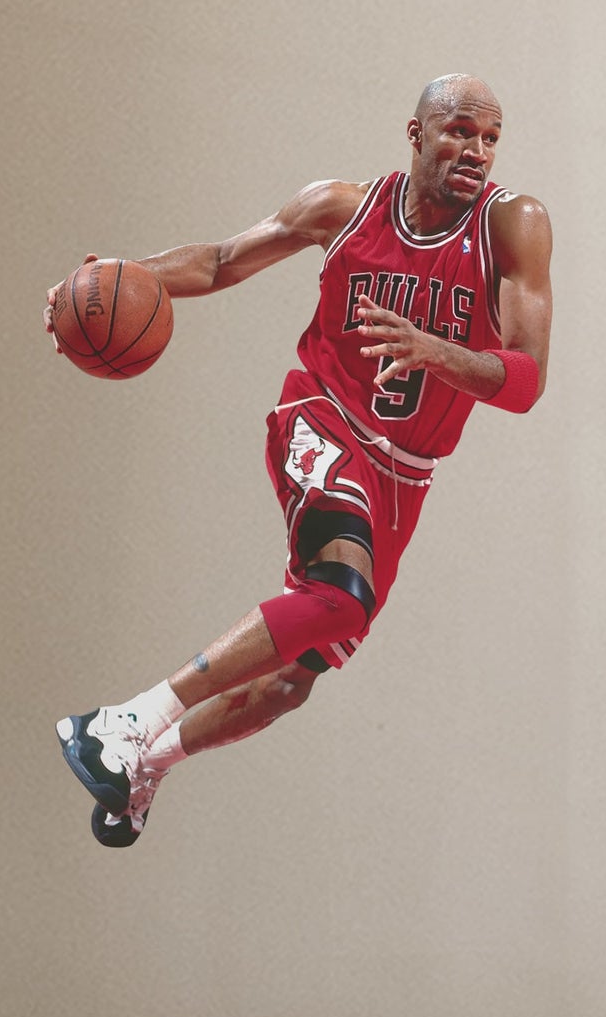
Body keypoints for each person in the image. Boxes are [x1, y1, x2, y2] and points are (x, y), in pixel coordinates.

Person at [44, 74, 553, 845]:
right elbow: (221, 262)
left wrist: (434, 350)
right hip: (321, 417)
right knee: (340, 593)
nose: (476, 151)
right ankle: (128, 720)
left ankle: (144, 763)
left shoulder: (513, 224)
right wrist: (107, 282)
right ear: (416, 134)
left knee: (289, 685)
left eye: (490, 138)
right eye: (458, 132)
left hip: (405, 475)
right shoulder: (341, 209)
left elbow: (525, 380)